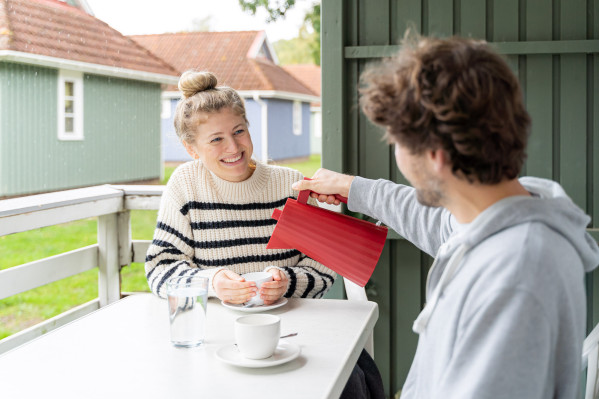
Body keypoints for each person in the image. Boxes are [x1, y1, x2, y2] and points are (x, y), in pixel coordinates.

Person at [293, 34, 599, 398]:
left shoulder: (515, 275)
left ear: (435, 154)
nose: (399, 158)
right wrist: (354, 188)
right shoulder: (505, 212)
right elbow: (438, 223)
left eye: (398, 145)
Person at [145, 70, 337, 305]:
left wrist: (287, 282)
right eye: (216, 139)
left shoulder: (290, 186)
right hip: (216, 330)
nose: (233, 147)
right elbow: (160, 270)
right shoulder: (185, 185)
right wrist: (212, 282)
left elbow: (324, 267)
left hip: (288, 324)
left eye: (238, 131)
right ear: (191, 149)